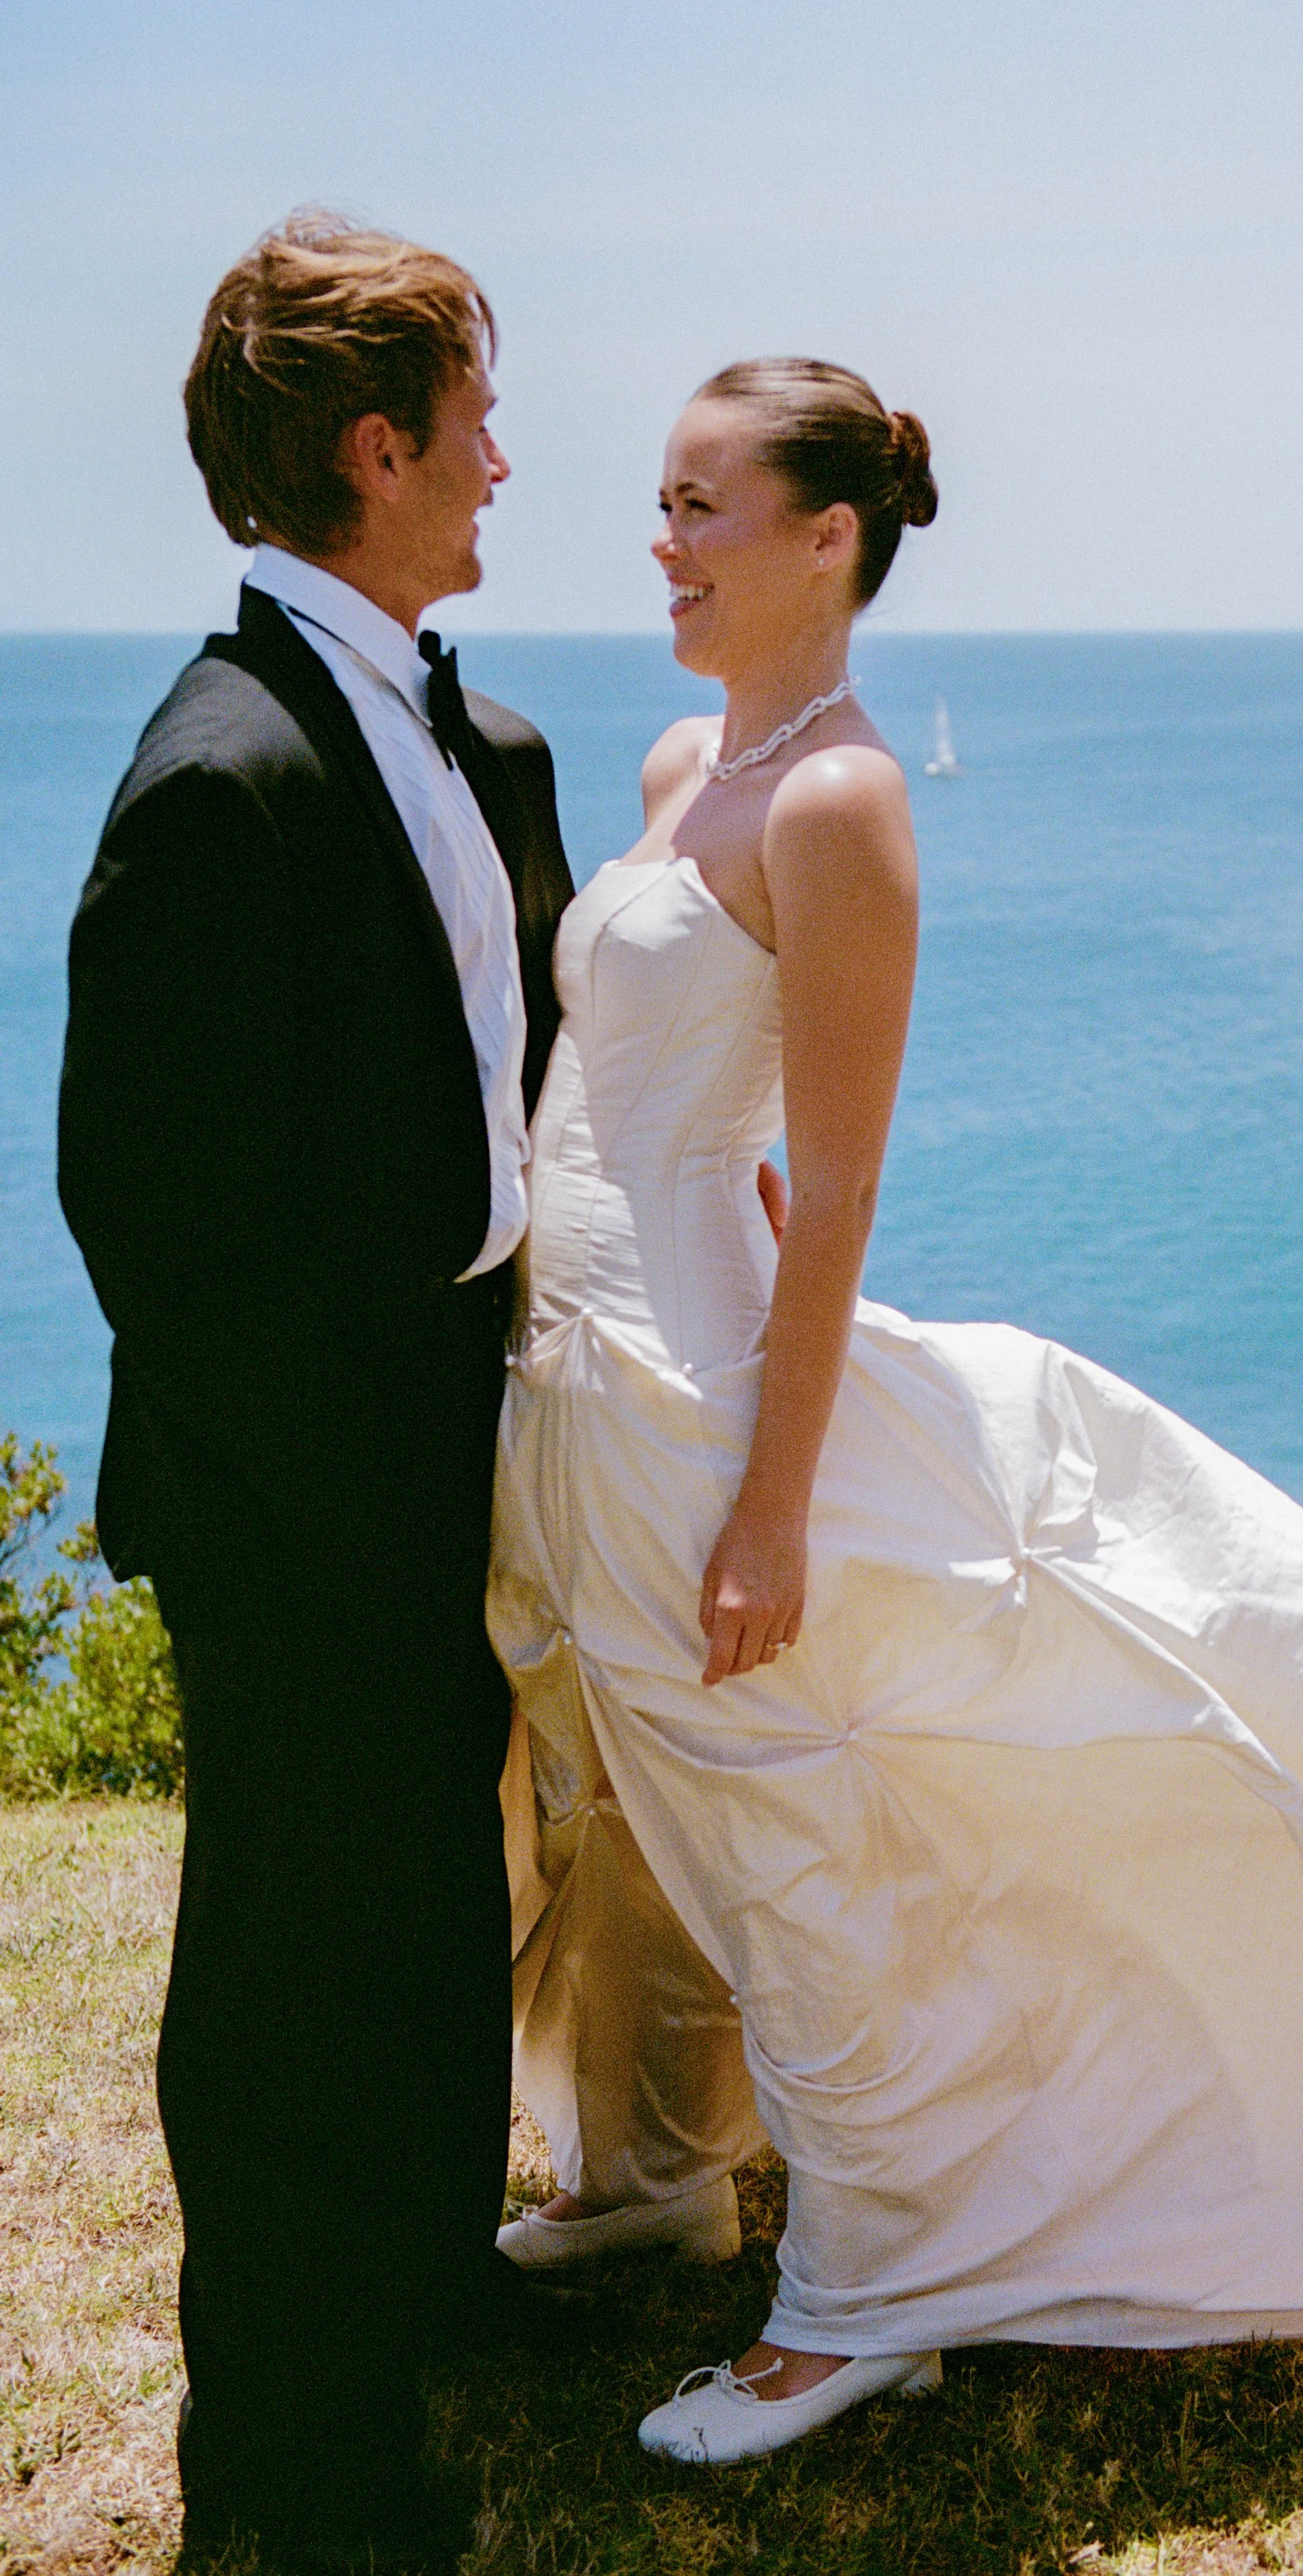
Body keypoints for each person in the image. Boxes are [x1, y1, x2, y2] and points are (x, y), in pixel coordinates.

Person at [489, 351, 1303, 2469]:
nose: (660, 543)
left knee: (793, 1835)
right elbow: (684, 1087)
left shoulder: (848, 798)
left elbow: (846, 1178)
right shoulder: (689, 757)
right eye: (661, 502)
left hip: (700, 1404)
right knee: (668, 1819)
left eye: (702, 507)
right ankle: (665, 2182)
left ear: (827, 541)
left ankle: (861, 2296)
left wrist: (774, 1504)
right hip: (580, 1370)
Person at [58, 213, 575, 2566]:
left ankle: (421, 2297)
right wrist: (347, 1495)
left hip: (461, 1415)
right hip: (301, 1490)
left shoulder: (483, 732)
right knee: (291, 1960)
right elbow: (152, 1223)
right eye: (475, 413)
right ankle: (287, 2446)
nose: (505, 454)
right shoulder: (221, 774)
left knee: (436, 1911)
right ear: (378, 447)